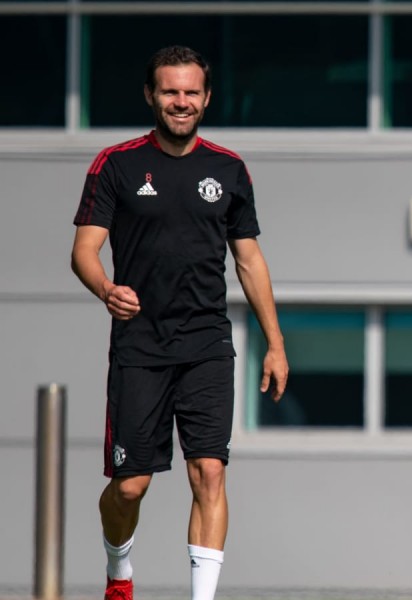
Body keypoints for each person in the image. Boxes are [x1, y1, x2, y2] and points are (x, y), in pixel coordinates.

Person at [71, 45, 289, 600]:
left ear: (207, 97)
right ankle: (119, 572)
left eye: (191, 92)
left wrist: (275, 342)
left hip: (208, 345)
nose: (181, 102)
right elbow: (85, 251)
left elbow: (249, 259)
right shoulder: (115, 164)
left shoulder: (229, 169)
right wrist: (105, 288)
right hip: (140, 346)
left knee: (210, 473)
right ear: (151, 95)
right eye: (170, 91)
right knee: (130, 486)